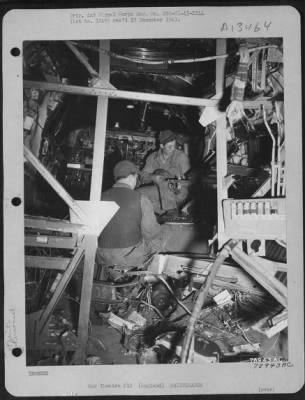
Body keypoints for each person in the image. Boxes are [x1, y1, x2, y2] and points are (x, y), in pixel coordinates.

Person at [96, 160, 165, 281]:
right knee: (158, 240)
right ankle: (146, 282)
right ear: (131, 176)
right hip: (128, 257)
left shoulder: (100, 197)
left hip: (102, 255)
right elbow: (151, 233)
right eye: (136, 176)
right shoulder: (141, 199)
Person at [138, 129, 191, 214]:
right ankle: (165, 213)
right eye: (169, 146)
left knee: (165, 181)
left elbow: (190, 181)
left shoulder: (181, 157)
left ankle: (170, 212)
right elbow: (143, 176)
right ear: (162, 146)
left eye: (174, 145)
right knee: (138, 193)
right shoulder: (153, 157)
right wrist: (153, 177)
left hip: (177, 191)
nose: (173, 149)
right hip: (158, 190)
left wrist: (178, 182)